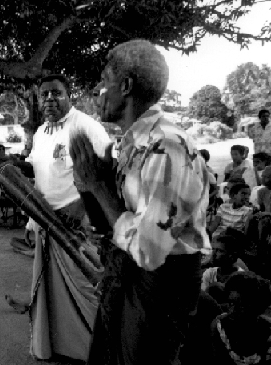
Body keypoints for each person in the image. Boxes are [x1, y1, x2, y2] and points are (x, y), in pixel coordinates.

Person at [68, 39, 211, 364]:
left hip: (159, 287)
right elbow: (112, 225)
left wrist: (99, 188)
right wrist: (91, 187)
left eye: (104, 81)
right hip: (129, 274)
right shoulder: (133, 144)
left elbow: (148, 251)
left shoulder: (166, 146)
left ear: (126, 85)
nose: (97, 90)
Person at [0, 73, 111, 361]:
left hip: (76, 224)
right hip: (46, 219)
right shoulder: (40, 133)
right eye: (44, 94)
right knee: (52, 289)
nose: (49, 99)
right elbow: (37, 169)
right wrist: (11, 169)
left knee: (88, 286)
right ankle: (63, 347)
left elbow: (105, 172)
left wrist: (80, 207)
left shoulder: (85, 127)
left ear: (69, 95)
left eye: (56, 93)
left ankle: (102, 351)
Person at [209, 271, 271, 365]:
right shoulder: (220, 327)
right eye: (231, 303)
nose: (233, 310)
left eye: (242, 306)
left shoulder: (267, 330)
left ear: (256, 307)